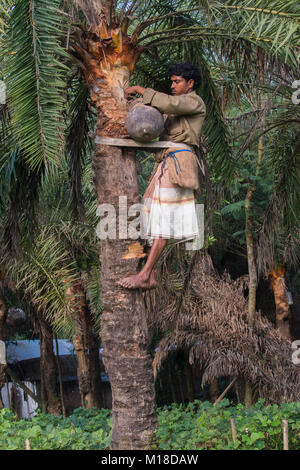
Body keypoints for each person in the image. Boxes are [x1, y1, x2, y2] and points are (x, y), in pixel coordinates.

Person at [117, 63, 206, 290]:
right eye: (172, 81)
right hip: (167, 164)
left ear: (190, 83)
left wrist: (139, 90)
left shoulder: (193, 102)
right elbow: (154, 124)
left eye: (177, 81)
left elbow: (169, 103)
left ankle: (145, 275)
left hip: (179, 166)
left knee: (163, 223)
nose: (172, 85)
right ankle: (151, 275)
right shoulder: (175, 112)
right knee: (153, 219)